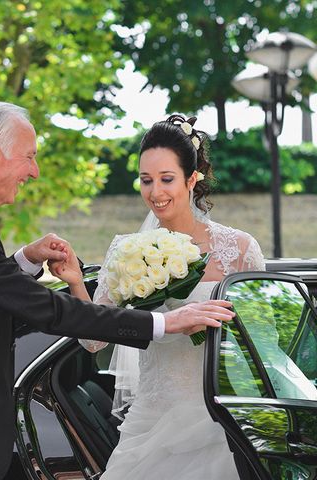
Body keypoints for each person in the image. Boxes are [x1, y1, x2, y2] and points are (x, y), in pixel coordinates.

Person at [0, 103, 236, 480]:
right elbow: (48, 310)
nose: (34, 170)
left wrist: (26, 259)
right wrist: (164, 322)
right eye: (29, 156)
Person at [50, 114, 266, 479]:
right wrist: (74, 282)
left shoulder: (240, 249)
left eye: (166, 179)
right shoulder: (126, 252)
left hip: (216, 420)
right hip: (151, 418)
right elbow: (90, 341)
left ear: (192, 178)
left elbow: (263, 342)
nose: (155, 192)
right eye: (146, 180)